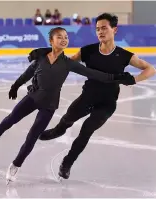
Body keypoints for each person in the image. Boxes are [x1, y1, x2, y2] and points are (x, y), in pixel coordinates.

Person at [0, 27, 135, 185]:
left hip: (49, 105)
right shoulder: (40, 58)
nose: (64, 39)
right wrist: (15, 85)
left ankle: (15, 165)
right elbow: (28, 73)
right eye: (59, 37)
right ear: (51, 41)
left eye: (66, 37)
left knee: (32, 137)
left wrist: (117, 77)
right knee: (11, 118)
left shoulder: (69, 63)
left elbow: (93, 74)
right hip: (32, 97)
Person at [39, 13, 156, 179]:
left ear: (114, 30)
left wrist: (133, 80)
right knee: (67, 119)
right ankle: (57, 131)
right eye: (98, 29)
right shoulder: (87, 51)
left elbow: (150, 69)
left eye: (104, 28)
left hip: (107, 104)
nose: (100, 32)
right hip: (87, 97)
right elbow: (68, 64)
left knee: (86, 130)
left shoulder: (124, 55)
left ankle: (67, 162)